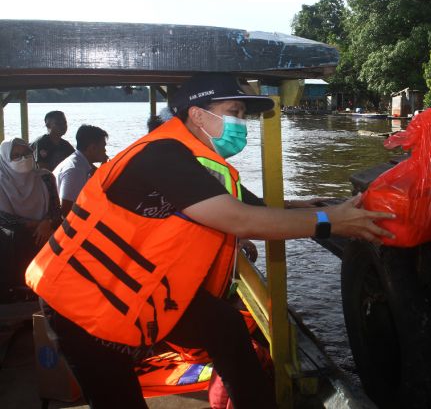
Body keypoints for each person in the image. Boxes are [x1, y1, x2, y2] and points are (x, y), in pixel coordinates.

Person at [25, 72, 395, 409]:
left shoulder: (195, 159)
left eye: (244, 114)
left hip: (137, 287)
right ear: (198, 115)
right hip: (81, 298)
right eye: (234, 111)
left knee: (225, 327)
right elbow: (240, 219)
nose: (242, 122)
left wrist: (315, 205)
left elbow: (248, 204)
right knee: (118, 397)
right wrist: (331, 223)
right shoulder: (162, 156)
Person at [0, 138, 61, 295]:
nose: (24, 159)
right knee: (12, 235)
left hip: (46, 226)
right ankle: (17, 288)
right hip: (16, 232)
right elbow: (3, 218)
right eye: (16, 156)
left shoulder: (45, 177)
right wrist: (36, 225)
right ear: (5, 159)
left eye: (27, 153)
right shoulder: (1, 181)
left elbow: (55, 208)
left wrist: (47, 222)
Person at [53, 125, 109, 217]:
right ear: (92, 148)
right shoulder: (75, 170)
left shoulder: (81, 162)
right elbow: (66, 211)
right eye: (103, 146)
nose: (105, 150)